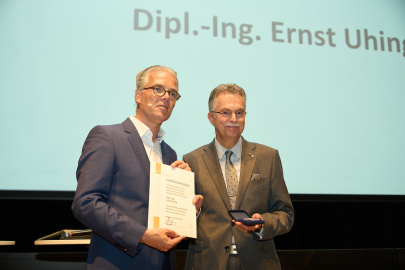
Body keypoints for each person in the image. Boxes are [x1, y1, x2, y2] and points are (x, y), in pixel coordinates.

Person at [72, 65, 203, 270]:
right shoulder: (107, 137)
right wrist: (142, 236)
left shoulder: (170, 154)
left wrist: (188, 210)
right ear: (138, 96)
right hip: (117, 263)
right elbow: (86, 203)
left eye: (173, 93)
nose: (166, 97)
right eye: (158, 89)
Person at [184, 84, 294, 270]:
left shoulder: (268, 157)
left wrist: (261, 224)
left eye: (239, 113)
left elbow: (286, 215)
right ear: (211, 117)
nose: (233, 119)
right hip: (208, 262)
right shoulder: (192, 160)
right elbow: (185, 220)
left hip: (259, 262)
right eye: (225, 112)